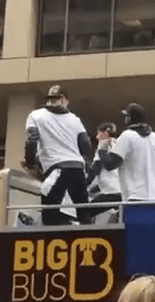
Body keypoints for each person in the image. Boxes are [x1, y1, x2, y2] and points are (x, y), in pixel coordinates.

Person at [23, 85, 93, 225]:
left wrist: (31, 163)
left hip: (57, 168)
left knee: (50, 209)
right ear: (65, 100)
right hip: (78, 168)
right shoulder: (74, 119)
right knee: (83, 212)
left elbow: (31, 141)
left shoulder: (36, 115)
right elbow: (86, 145)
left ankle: (55, 241)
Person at [96, 103, 155, 201]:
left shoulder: (127, 136)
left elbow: (111, 164)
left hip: (135, 197)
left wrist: (102, 149)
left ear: (128, 119)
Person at [85, 122, 122, 221]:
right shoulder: (119, 145)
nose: (97, 137)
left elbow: (97, 167)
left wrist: (85, 184)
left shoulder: (104, 145)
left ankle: (88, 234)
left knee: (85, 212)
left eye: (98, 133)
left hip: (110, 192)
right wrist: (95, 188)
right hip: (121, 192)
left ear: (106, 132)